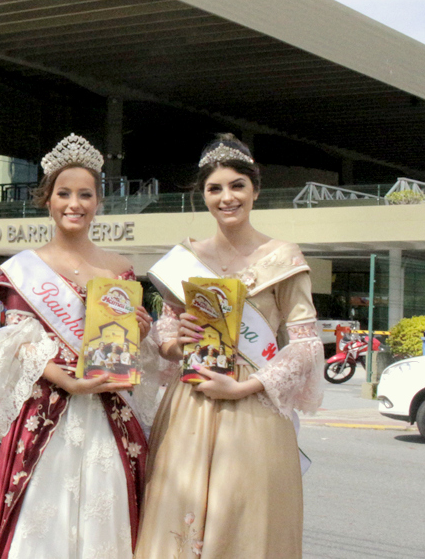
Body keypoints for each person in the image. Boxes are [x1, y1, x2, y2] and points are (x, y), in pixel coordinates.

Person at [135, 134, 324, 559]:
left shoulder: (283, 258)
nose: (227, 197)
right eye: (215, 188)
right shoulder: (186, 256)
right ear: (202, 196)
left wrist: (243, 388)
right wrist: (172, 344)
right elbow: (167, 327)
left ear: (255, 191)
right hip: (190, 401)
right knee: (178, 516)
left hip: (253, 407)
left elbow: (306, 344)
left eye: (237, 185)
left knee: (244, 517)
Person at [0, 134, 156, 559]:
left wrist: (141, 333)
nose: (73, 204)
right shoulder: (23, 268)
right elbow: (16, 340)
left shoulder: (120, 269)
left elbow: (124, 348)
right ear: (47, 199)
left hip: (108, 407)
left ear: (99, 202)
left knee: (108, 508)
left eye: (85, 194)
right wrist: (64, 379)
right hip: (47, 405)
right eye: (63, 193)